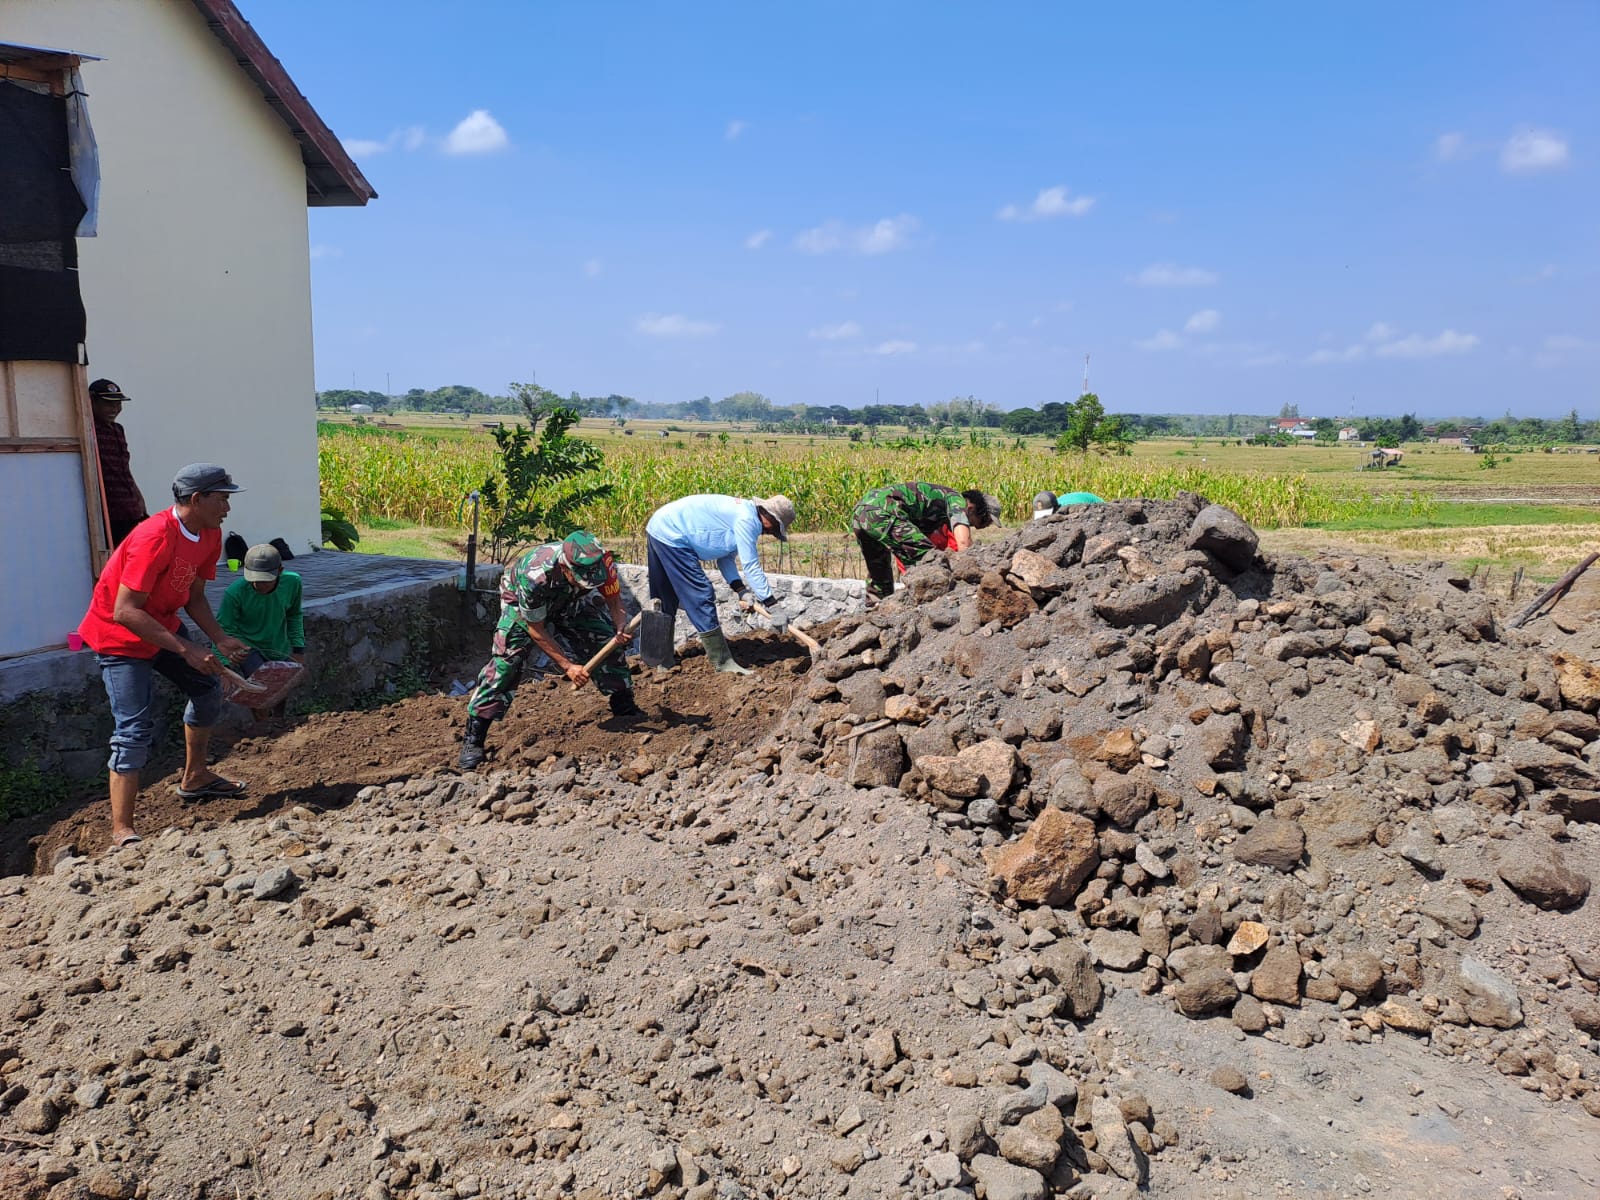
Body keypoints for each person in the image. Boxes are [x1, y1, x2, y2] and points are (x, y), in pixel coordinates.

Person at [76, 463, 252, 849]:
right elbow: (125, 611)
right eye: (222, 499)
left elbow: (194, 596)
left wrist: (219, 639)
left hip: (161, 625)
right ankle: (123, 830)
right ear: (197, 499)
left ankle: (196, 777)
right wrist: (187, 649)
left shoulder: (210, 533)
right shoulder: (153, 537)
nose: (227, 507)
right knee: (133, 730)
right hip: (119, 637)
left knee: (207, 688)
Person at [459, 531, 638, 769]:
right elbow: (536, 629)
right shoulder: (535, 576)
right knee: (508, 661)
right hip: (521, 605)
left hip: (568, 600)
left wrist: (620, 625)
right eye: (581, 578)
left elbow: (614, 600)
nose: (587, 581)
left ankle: (624, 707)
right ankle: (474, 737)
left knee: (603, 639)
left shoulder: (601, 562)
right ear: (565, 568)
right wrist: (568, 666)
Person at [644, 494, 794, 675]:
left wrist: (741, 590)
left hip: (659, 527)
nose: (769, 533)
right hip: (673, 533)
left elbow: (725, 558)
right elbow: (751, 566)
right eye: (774, 529)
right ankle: (723, 663)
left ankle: (663, 660)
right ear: (770, 518)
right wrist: (773, 605)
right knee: (701, 594)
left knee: (665, 596)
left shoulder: (742, 514)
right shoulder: (748, 520)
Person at [850, 483, 1000, 600]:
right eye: (984, 521)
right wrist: (976, 575)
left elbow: (914, 543)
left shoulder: (937, 510)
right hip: (883, 511)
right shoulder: (957, 501)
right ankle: (921, 605)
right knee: (929, 563)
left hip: (861, 511)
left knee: (879, 568)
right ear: (972, 508)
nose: (979, 527)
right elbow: (964, 545)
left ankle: (876, 608)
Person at [217, 543, 305, 721]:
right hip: (247, 645)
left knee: (281, 684)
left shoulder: (293, 582)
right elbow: (223, 629)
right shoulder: (235, 592)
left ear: (279, 571)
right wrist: (223, 667)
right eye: (254, 578)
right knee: (258, 689)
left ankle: (279, 722)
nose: (258, 584)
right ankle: (263, 727)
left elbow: (294, 614)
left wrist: (298, 648)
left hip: (277, 643)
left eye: (265, 580)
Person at [88, 378, 148, 547]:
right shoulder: (89, 430)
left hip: (130, 507)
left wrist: (138, 496)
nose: (114, 409)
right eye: (108, 404)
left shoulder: (118, 430)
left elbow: (124, 469)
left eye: (118, 404)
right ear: (92, 402)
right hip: (109, 512)